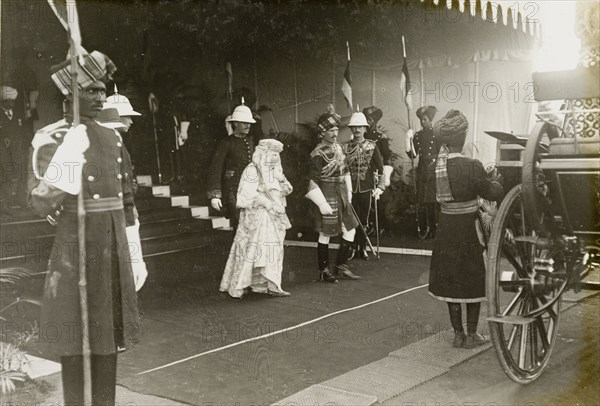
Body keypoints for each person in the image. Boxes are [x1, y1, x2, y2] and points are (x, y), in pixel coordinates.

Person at [27, 50, 145, 405]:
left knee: (107, 341)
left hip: (111, 250)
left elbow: (126, 199)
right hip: (75, 252)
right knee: (75, 342)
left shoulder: (111, 138)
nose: (99, 96)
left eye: (101, 90)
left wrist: (135, 251)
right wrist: (65, 159)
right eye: (91, 90)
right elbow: (40, 202)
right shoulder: (51, 138)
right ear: (70, 94)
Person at [427, 110, 503, 349]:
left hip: (446, 230)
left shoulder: (435, 167)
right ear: (464, 137)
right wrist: (498, 180)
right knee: (471, 280)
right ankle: (472, 335)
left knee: (451, 281)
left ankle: (458, 334)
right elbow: (492, 192)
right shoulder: (473, 166)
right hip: (469, 231)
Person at [220, 138, 293, 298]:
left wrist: (284, 186)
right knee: (252, 249)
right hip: (257, 217)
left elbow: (285, 189)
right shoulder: (252, 170)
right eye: (272, 153)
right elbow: (246, 194)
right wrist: (265, 202)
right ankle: (240, 286)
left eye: (277, 154)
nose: (275, 157)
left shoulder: (276, 171)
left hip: (275, 216)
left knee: (272, 250)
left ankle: (267, 284)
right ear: (263, 153)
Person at [305, 107, 360, 282]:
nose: (335, 133)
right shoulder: (316, 153)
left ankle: (340, 266)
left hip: (342, 193)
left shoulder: (340, 148)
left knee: (350, 229)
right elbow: (311, 181)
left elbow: (346, 172)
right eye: (330, 130)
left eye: (336, 129)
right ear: (322, 133)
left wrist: (349, 192)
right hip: (326, 193)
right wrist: (321, 203)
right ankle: (323, 271)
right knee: (325, 233)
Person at [343, 111, 386, 260]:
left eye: (360, 127)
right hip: (350, 189)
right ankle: (353, 247)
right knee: (352, 219)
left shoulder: (372, 146)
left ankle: (362, 248)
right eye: (354, 127)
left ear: (365, 128)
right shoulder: (346, 147)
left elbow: (381, 169)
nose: (357, 130)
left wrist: (380, 187)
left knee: (364, 219)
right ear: (351, 129)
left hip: (366, 187)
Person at [207, 102, 256, 229]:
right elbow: (215, 169)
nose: (248, 125)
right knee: (239, 223)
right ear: (235, 123)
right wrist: (215, 195)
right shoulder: (226, 143)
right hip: (232, 190)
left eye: (249, 123)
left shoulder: (250, 141)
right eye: (244, 122)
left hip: (249, 189)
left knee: (249, 225)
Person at [406, 105, 440, 239]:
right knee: (423, 200)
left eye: (424, 119)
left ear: (430, 120)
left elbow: (442, 152)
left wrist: (435, 164)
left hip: (434, 169)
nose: (422, 122)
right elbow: (413, 155)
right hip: (422, 170)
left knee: (433, 200)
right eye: (421, 119)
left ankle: (434, 228)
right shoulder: (418, 135)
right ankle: (424, 227)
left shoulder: (437, 134)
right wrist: (407, 141)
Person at [0, 85, 24, 215]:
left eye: (13, 101)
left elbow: (22, 131)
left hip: (17, 151)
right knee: (5, 177)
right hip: (3, 153)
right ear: (3, 101)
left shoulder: (18, 114)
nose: (12, 103)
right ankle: (5, 205)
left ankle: (21, 201)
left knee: (19, 174)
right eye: (9, 101)